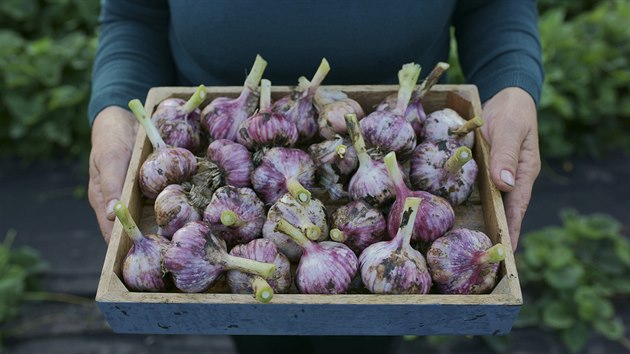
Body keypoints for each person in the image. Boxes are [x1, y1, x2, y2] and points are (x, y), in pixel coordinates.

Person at [87, 1, 543, 353]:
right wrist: (115, 105)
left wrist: (512, 83)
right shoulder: (248, 193)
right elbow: (134, 13)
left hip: (371, 126)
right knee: (258, 333)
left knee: (370, 332)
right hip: (211, 135)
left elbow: (494, 5)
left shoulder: (351, 172)